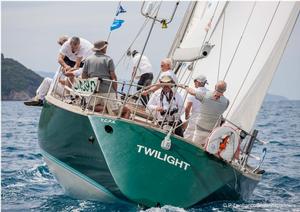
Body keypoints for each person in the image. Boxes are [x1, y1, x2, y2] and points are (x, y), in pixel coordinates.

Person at [82, 40, 130, 118]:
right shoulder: (108, 59)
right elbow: (113, 78)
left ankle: (101, 111)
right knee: (127, 110)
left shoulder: (88, 59)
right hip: (108, 91)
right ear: (103, 48)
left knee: (93, 107)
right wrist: (115, 92)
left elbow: (84, 76)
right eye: (106, 47)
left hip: (93, 91)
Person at [24, 35, 71, 106]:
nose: (61, 47)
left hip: (66, 91)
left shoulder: (69, 60)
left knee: (47, 81)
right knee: (47, 81)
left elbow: (72, 80)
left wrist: (62, 81)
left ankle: (39, 99)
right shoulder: (68, 58)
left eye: (61, 44)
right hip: (61, 88)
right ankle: (38, 97)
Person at [180, 80, 229, 146]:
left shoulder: (206, 95)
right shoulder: (226, 102)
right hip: (211, 132)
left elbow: (192, 92)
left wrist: (184, 86)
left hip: (200, 129)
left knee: (194, 147)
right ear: (225, 90)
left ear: (215, 87)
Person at [183, 75, 209, 140]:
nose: (194, 82)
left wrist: (186, 116)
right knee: (198, 138)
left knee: (188, 136)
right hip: (205, 119)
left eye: (195, 81)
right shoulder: (209, 93)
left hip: (195, 117)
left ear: (198, 82)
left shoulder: (193, 91)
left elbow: (188, 107)